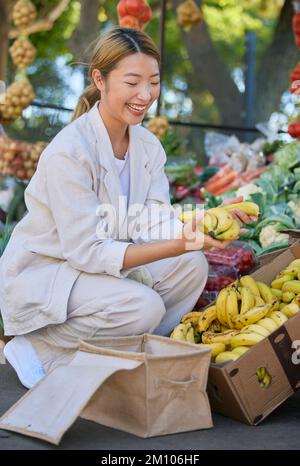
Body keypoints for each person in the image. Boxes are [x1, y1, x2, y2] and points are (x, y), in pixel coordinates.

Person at [0, 27, 254, 389]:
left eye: (153, 82)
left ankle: (132, 353)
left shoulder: (148, 147)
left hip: (99, 267)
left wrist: (209, 220)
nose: (145, 95)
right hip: (52, 271)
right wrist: (181, 243)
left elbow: (155, 222)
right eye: (133, 82)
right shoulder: (69, 153)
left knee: (191, 266)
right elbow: (87, 252)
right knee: (144, 305)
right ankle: (40, 348)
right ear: (99, 79)